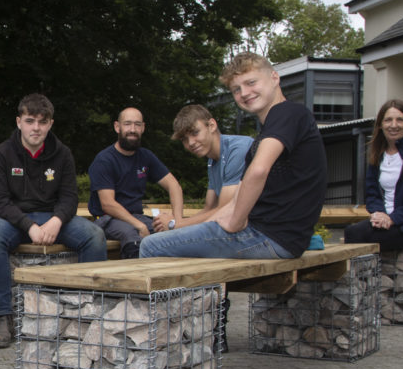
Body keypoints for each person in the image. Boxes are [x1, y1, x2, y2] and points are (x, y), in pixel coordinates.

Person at [139, 52, 327, 260]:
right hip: (271, 235)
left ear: (274, 77)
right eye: (236, 89)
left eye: (251, 82)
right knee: (176, 241)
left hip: (270, 236)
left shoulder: (287, 113)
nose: (244, 93)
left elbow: (258, 170)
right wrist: (197, 229)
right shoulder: (265, 134)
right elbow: (232, 202)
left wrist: (234, 222)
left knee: (151, 246)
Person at [0, 93, 108, 348]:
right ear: (19, 122)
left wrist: (56, 220)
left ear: (50, 124)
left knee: (95, 236)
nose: (36, 128)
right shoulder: (2, 153)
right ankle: (2, 317)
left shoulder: (63, 154)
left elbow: (70, 197)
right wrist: (28, 226)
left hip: (52, 217)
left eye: (42, 121)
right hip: (12, 219)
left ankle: (86, 311)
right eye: (30, 121)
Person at [161, 103, 254, 351]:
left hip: (256, 230)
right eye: (184, 139)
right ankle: (201, 327)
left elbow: (226, 211)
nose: (190, 143)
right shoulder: (213, 161)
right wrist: (178, 226)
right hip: (236, 226)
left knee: (156, 246)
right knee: (181, 242)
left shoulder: (238, 149)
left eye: (195, 133)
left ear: (212, 125)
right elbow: (208, 209)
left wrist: (175, 224)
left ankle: (211, 329)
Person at [87, 107, 185, 258]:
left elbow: (174, 186)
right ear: (117, 127)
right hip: (108, 219)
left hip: (137, 217)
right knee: (132, 236)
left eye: (137, 124)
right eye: (127, 124)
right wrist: (138, 225)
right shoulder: (104, 160)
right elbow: (108, 204)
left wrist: (177, 221)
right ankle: (134, 273)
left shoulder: (146, 156)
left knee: (169, 231)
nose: (132, 129)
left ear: (143, 128)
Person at [344, 99, 403, 249]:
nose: (393, 125)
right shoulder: (378, 153)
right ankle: (372, 265)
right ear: (381, 125)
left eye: (400, 120)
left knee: (358, 235)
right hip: (386, 221)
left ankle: (372, 265)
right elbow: (372, 193)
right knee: (352, 231)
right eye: (388, 120)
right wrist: (379, 214)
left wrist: (394, 218)